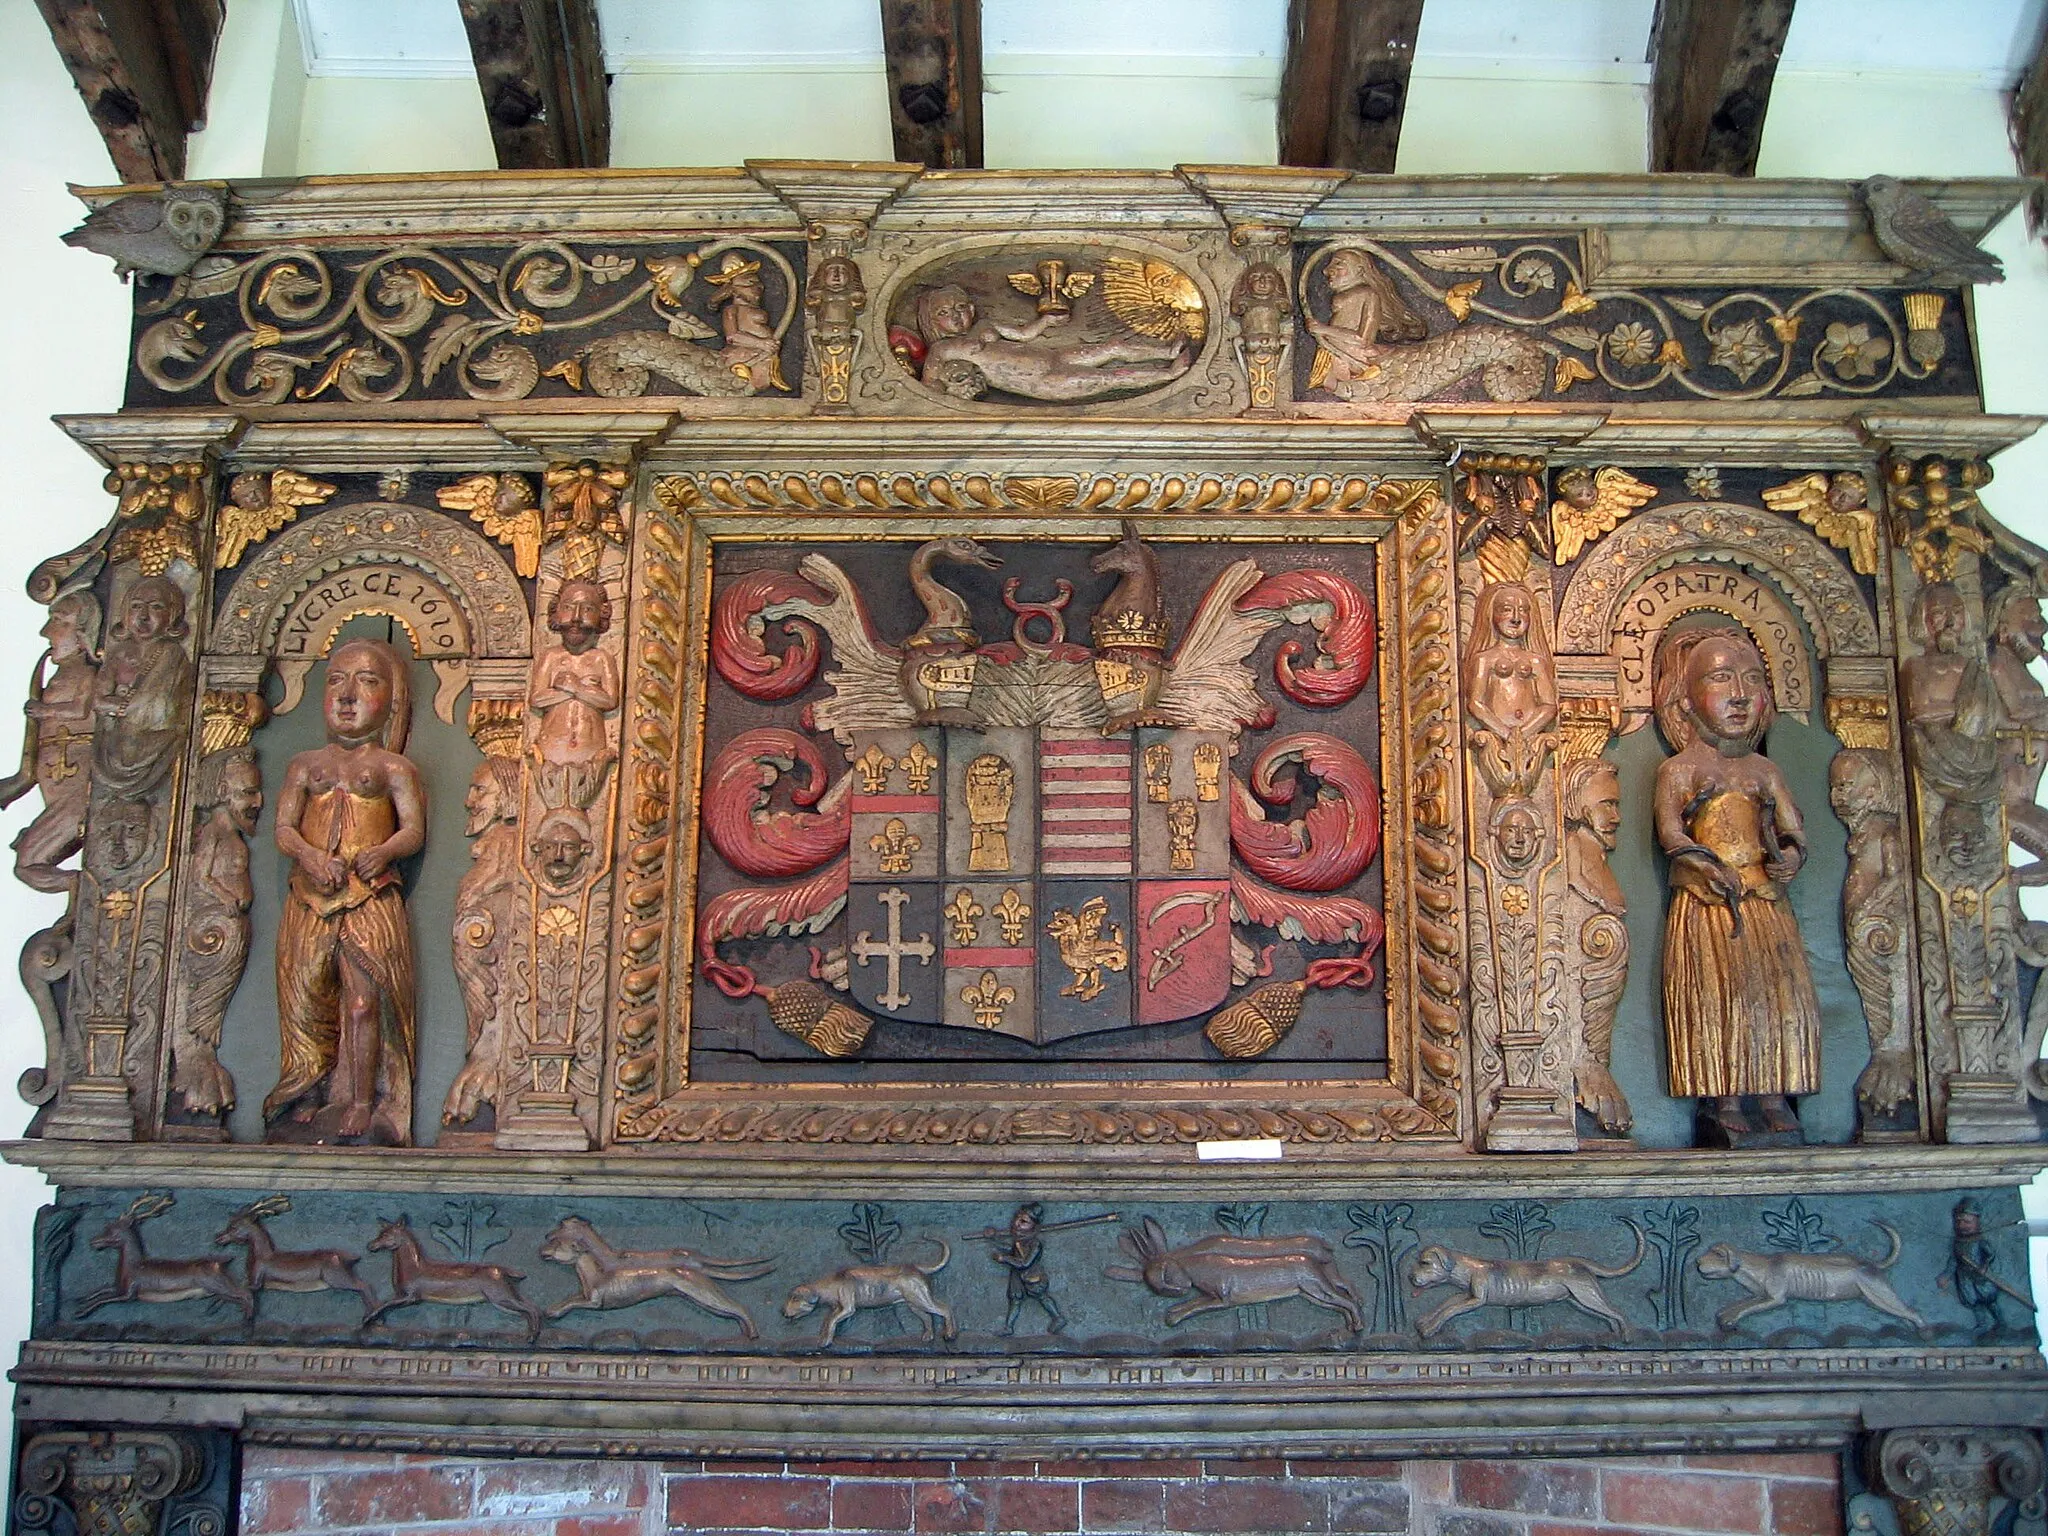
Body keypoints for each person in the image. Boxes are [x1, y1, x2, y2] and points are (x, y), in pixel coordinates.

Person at [1653, 624, 1822, 1145]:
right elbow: (1670, 829)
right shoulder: (1679, 770)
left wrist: (1790, 856)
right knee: (1718, 999)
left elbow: (1793, 829)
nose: (1741, 694)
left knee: (1776, 998)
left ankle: (1774, 1094)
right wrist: (1699, 862)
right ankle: (1723, 1096)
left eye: (1752, 679)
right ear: (1685, 702)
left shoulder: (1763, 770)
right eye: (1722, 679)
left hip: (1764, 901)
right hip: (1709, 905)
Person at [266, 639, 425, 1145]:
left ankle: (362, 1098)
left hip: (368, 895)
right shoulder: (305, 764)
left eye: (367, 681)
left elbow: (413, 831)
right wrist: (311, 856)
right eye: (336, 680)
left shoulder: (395, 769)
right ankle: (307, 1088)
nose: (348, 694)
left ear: (391, 699)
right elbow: (285, 828)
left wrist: (384, 852)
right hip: (311, 894)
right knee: (307, 993)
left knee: (362, 1002)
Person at [911, 284, 1187, 403]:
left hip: (1049, 354)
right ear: (933, 321)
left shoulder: (986, 325)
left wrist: (1046, 322)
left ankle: (1165, 350)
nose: (956, 317)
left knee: (1111, 347)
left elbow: (1023, 333)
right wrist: (957, 389)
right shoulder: (942, 350)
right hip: (1040, 379)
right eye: (944, 314)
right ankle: (1168, 373)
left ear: (971, 309)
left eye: (960, 308)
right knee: (1108, 378)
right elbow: (930, 386)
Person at [91, 575, 193, 800]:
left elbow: (161, 707)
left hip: (155, 744)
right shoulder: (118, 653)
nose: (143, 616)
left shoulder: (172, 654)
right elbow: (98, 700)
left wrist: (121, 704)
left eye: (156, 607)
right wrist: (118, 705)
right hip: (114, 745)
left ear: (172, 616)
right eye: (136, 606)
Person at [530, 579, 620, 810]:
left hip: (589, 752)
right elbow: (537, 698)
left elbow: (609, 700)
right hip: (551, 751)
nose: (577, 617)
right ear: (556, 612)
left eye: (588, 608)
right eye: (569, 607)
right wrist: (583, 691)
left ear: (602, 615)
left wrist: (574, 688)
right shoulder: (551, 657)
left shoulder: (601, 658)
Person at [1463, 580, 1557, 797]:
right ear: (1491, 614)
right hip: (1496, 739)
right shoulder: (1484, 659)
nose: (1516, 617)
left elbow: (1549, 705)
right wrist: (1504, 732)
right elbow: (1476, 703)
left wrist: (1524, 733)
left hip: (1529, 740)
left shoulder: (1536, 661)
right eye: (1506, 609)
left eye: (1523, 610)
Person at [1305, 247, 1429, 395]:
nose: (1327, 270)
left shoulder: (1368, 294)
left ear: (1359, 270)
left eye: (1339, 264)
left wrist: (1323, 329)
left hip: (1356, 358)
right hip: (1336, 354)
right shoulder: (1354, 293)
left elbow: (1363, 340)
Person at [706, 252, 789, 393]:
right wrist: (761, 343)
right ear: (733, 290)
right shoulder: (731, 310)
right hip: (745, 353)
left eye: (758, 283)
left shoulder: (751, 308)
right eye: (750, 283)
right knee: (756, 381)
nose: (758, 287)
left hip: (762, 352)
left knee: (761, 379)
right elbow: (733, 336)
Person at [990, 1203, 1065, 1336]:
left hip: (1032, 1277)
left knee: (1042, 1297)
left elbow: (1025, 1263)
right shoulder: (1019, 1239)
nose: (1017, 1223)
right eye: (1017, 1218)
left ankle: (1058, 1318)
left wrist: (1004, 1259)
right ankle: (1008, 1327)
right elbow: (1012, 1250)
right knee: (1015, 1300)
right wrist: (994, 1239)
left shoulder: (1035, 1244)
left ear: (1033, 1226)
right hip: (1018, 1276)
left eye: (1023, 1222)